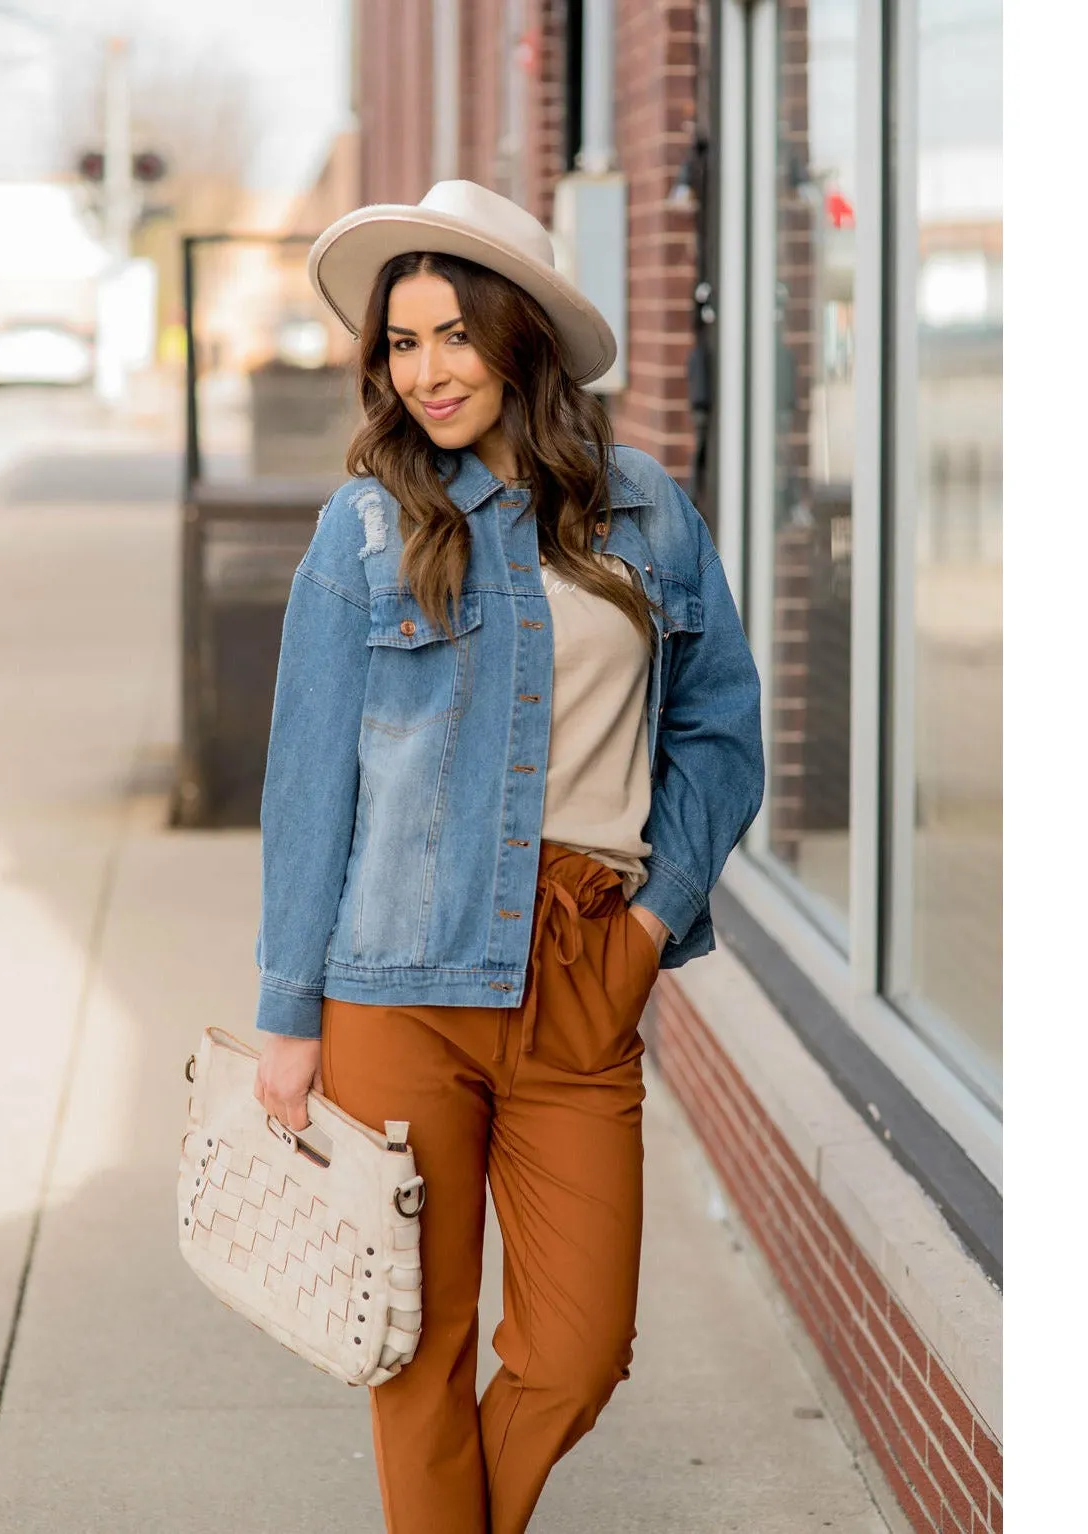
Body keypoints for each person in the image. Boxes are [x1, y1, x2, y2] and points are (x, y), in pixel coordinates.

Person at [251, 179, 764, 1534]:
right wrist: (285, 1013)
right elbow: (307, 787)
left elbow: (720, 734)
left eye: (450, 337)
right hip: (396, 978)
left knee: (577, 1348)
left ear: (520, 332)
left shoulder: (647, 513)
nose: (424, 373)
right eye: (399, 345)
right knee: (418, 1349)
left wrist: (651, 921)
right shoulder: (364, 529)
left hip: (585, 961)